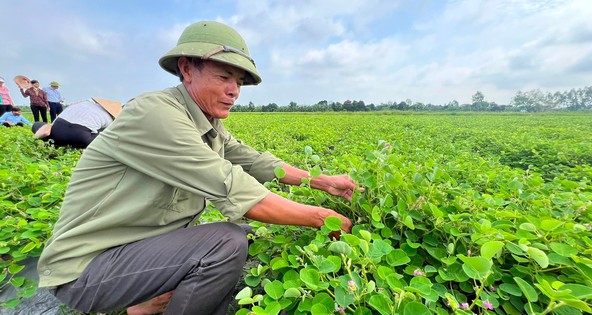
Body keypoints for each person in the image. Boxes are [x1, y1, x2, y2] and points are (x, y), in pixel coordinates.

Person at [37, 21, 361, 315]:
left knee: (247, 239)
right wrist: (322, 218)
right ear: (187, 69)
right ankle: (147, 305)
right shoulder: (156, 114)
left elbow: (253, 160)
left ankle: (148, 301)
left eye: (238, 82)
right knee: (226, 243)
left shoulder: (206, 120)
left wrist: (322, 182)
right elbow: (233, 186)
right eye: (223, 77)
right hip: (86, 269)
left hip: (130, 254)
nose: (233, 90)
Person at [31, 98, 121, 149]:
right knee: (105, 133)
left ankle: (51, 142)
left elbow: (56, 120)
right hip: (81, 138)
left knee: (38, 124)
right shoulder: (109, 118)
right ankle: (82, 149)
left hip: (58, 131)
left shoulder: (82, 103)